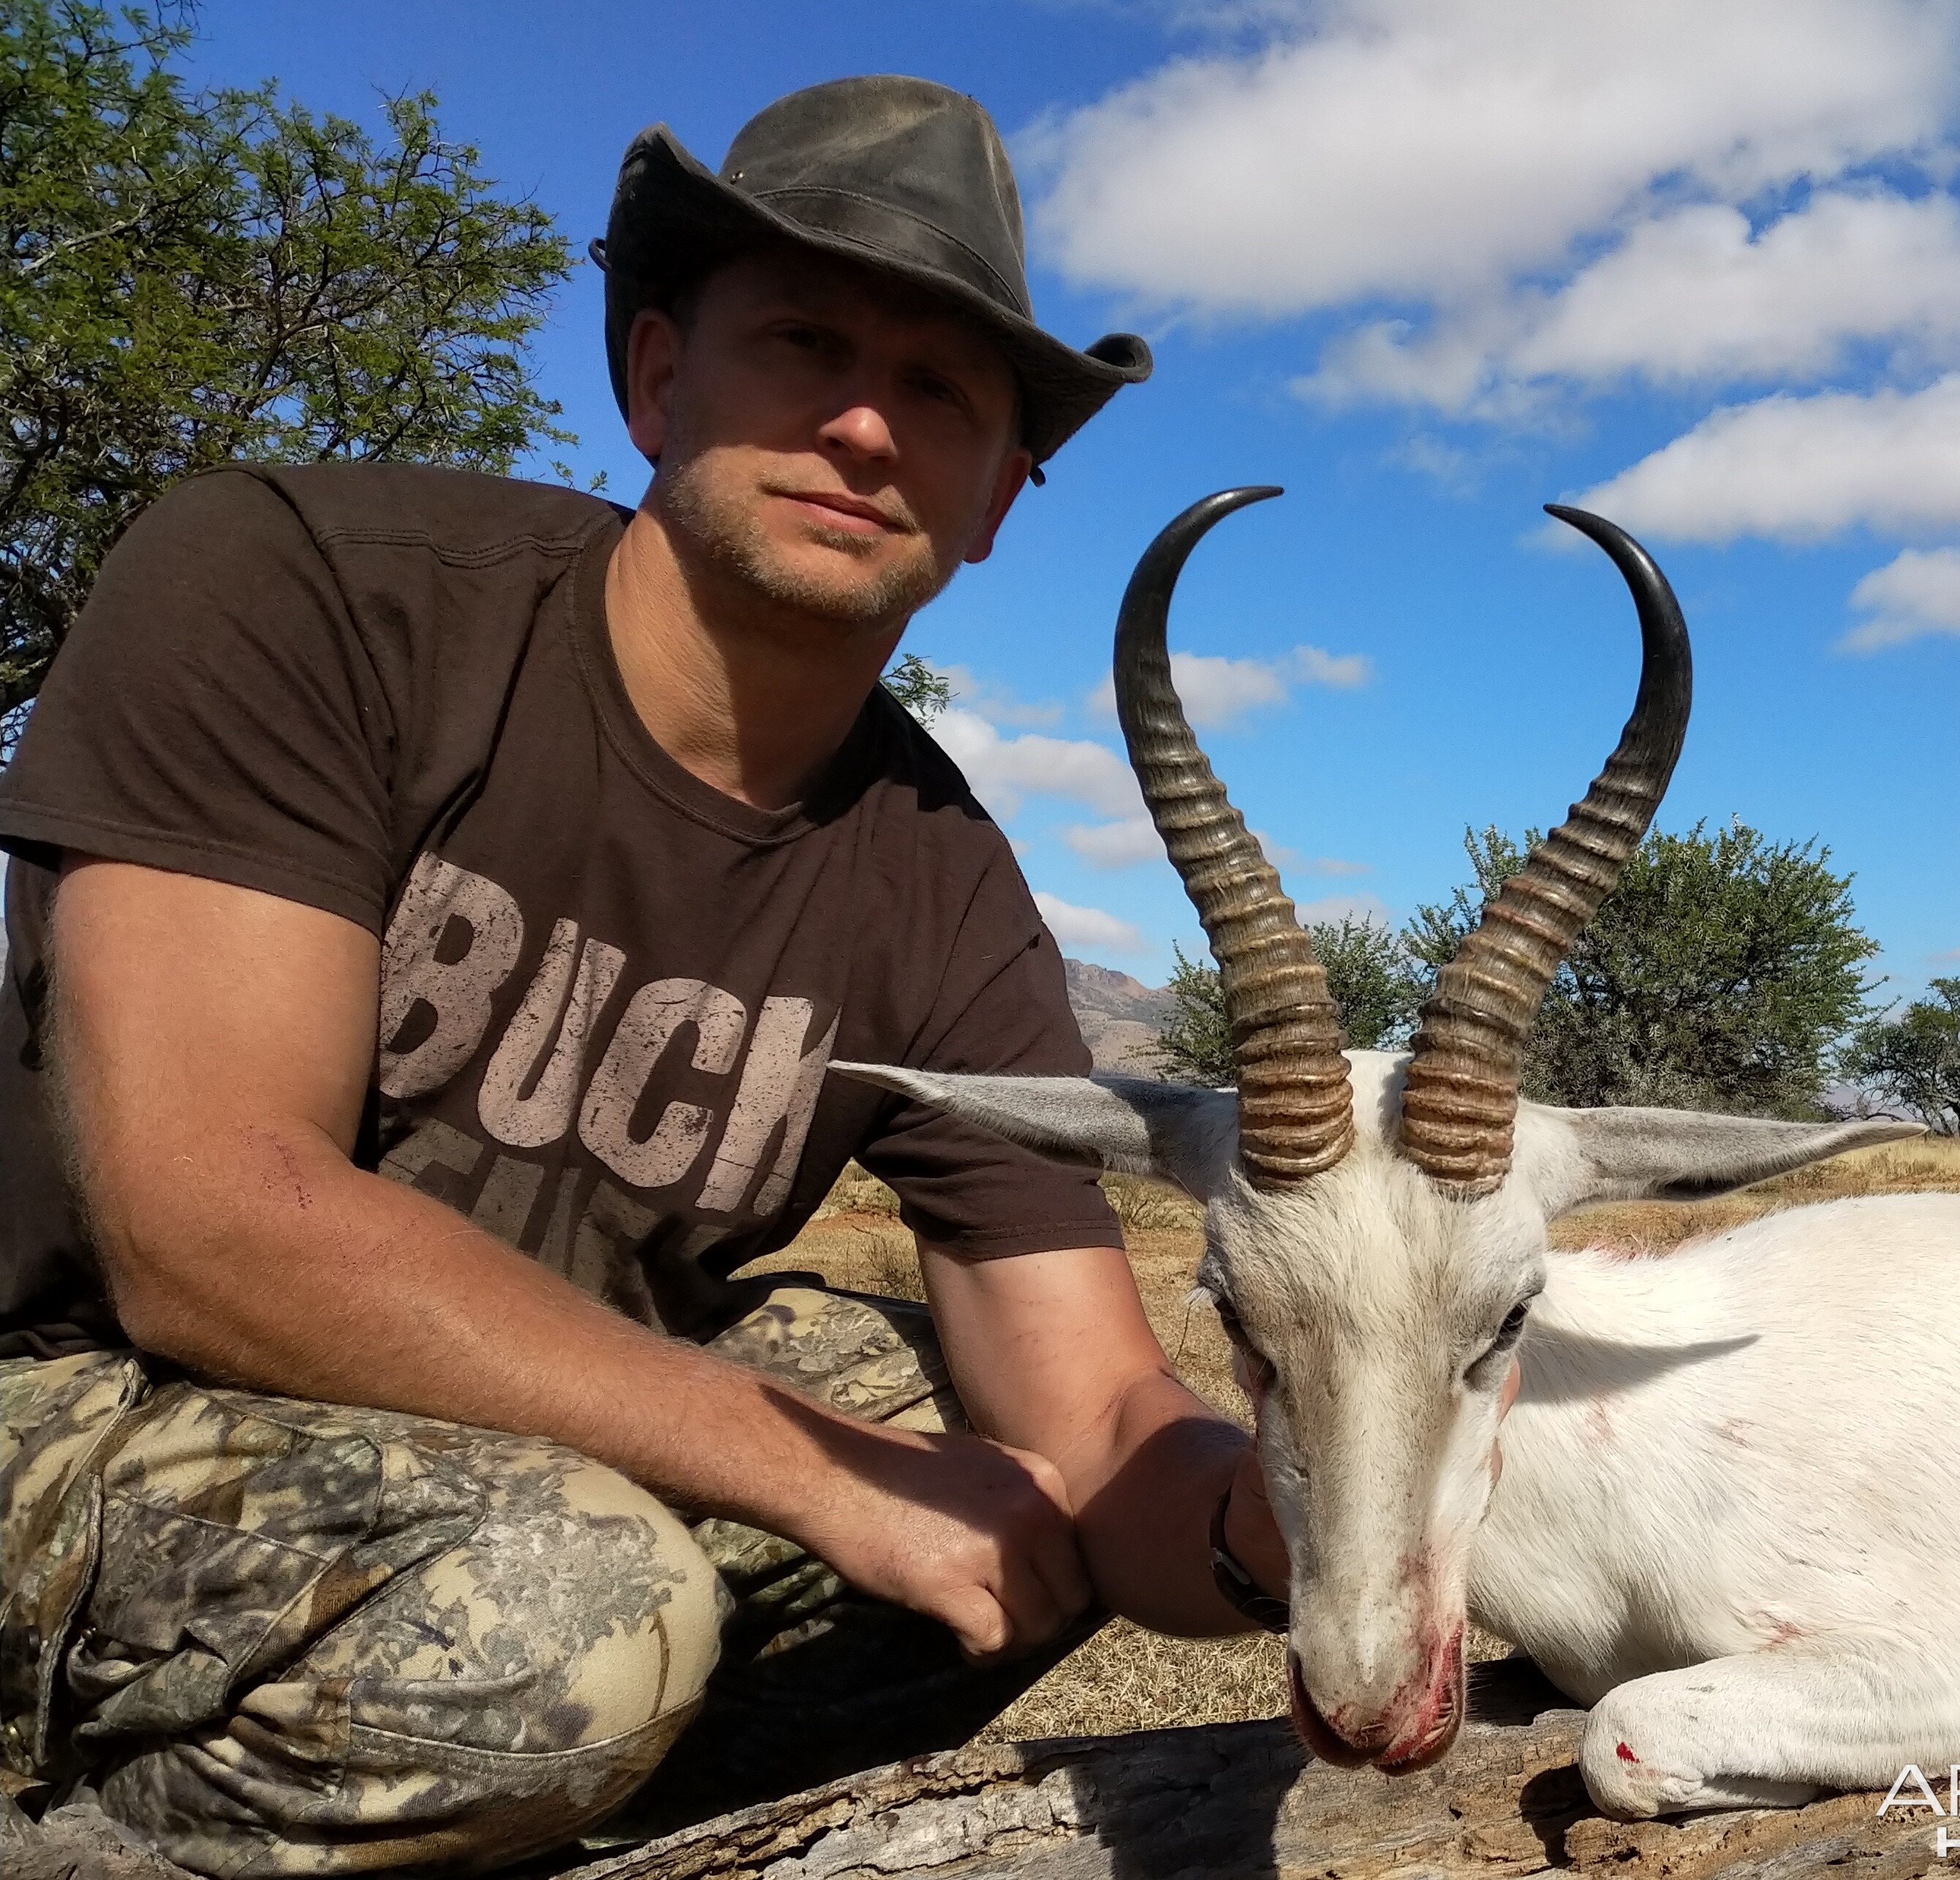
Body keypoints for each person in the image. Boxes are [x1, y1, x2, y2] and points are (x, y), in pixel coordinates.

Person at [0, 76, 1293, 1877]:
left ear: (999, 494)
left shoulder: (943, 873)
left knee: (982, 1454)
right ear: (656, 378)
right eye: (806, 343)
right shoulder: (296, 580)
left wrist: (1312, 1514)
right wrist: (827, 1474)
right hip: (76, 1386)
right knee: (573, 1609)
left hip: (501, 1439)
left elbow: (1091, 1415)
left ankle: (550, 1820)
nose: (861, 424)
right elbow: (213, 1217)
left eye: (941, 391)